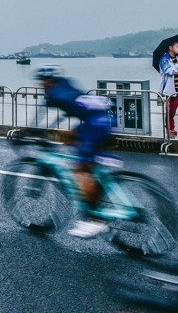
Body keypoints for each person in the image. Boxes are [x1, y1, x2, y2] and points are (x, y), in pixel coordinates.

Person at [31, 65, 115, 239]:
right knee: (76, 142)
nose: (41, 86)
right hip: (102, 119)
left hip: (94, 124)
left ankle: (95, 219)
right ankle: (97, 190)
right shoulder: (65, 85)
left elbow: (40, 118)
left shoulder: (54, 95)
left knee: (80, 169)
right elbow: (66, 114)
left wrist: (32, 133)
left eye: (42, 82)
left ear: (47, 81)